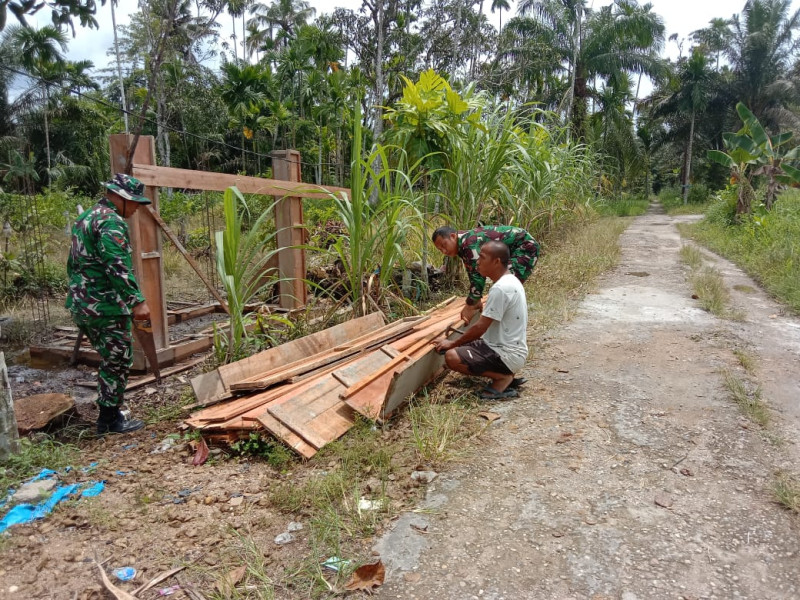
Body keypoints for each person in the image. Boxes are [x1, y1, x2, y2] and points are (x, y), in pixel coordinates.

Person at [66, 173, 152, 435]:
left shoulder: (86, 218)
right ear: (121, 197)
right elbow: (116, 264)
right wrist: (136, 301)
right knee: (118, 360)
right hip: (105, 305)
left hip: (83, 303)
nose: (137, 208)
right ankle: (109, 420)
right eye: (134, 202)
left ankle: (109, 414)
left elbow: (73, 263)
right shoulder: (111, 221)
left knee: (110, 358)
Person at [434, 241, 529, 400]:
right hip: (510, 349)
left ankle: (503, 378)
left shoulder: (501, 289)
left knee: (452, 357)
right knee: (463, 348)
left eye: (482, 257)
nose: (477, 261)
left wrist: (452, 343)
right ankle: (504, 372)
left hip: (505, 353)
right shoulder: (511, 281)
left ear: (496, 261)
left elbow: (480, 328)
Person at [432, 225, 539, 323]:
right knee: (502, 285)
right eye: (440, 249)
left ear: (453, 236)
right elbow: (472, 270)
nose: (444, 251)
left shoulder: (468, 242)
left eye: (444, 245)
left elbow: (477, 274)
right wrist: (476, 299)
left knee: (507, 284)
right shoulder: (463, 242)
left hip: (525, 246)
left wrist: (470, 303)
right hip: (513, 249)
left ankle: (508, 321)